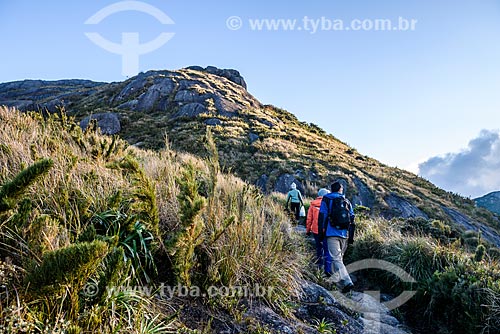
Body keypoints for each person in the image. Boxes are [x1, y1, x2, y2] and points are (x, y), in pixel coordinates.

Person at [319, 181, 355, 293]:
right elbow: (352, 220)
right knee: (338, 259)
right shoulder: (347, 201)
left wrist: (321, 233)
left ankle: (347, 281)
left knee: (336, 259)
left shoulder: (327, 199)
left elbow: (322, 217)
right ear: (340, 189)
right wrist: (351, 237)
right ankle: (340, 285)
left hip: (331, 234)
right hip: (345, 234)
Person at [306, 188, 332, 276]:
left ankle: (319, 266)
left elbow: (309, 219)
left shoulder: (313, 204)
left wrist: (308, 230)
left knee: (319, 248)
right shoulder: (329, 204)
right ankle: (327, 269)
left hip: (316, 230)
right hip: (326, 231)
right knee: (327, 249)